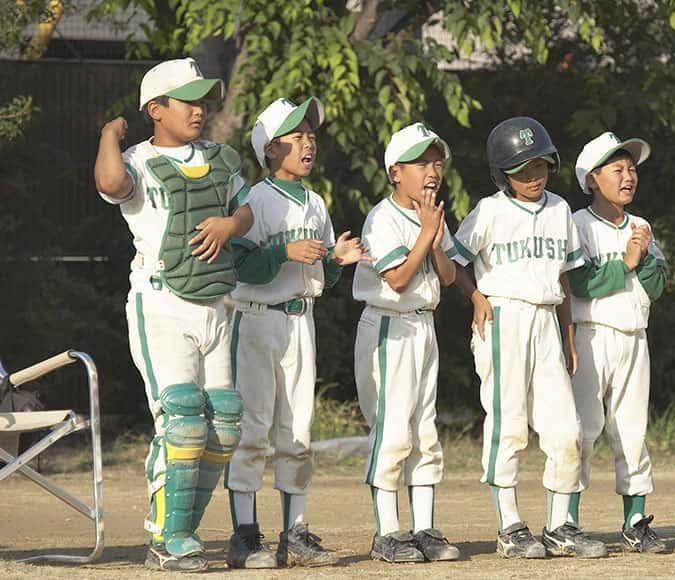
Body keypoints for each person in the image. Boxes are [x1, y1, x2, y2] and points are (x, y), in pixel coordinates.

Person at [93, 57, 253, 572]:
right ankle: (166, 537)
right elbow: (111, 184)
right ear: (156, 109)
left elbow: (245, 209)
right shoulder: (137, 160)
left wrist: (230, 225)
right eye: (187, 101)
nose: (199, 109)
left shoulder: (219, 158)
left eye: (203, 101)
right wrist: (109, 135)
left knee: (223, 423)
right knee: (182, 418)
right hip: (162, 301)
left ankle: (183, 528)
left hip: (214, 302)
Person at [224, 97, 370, 568]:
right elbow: (242, 266)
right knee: (252, 430)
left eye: (310, 134)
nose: (308, 143)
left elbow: (322, 276)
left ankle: (295, 534)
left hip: (301, 319)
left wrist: (336, 261)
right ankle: (245, 535)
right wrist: (284, 253)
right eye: (295, 136)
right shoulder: (254, 200)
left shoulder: (316, 202)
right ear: (270, 149)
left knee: (297, 431)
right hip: (257, 318)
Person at [451, 117, 606, 559]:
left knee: (567, 428)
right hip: (504, 316)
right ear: (503, 174)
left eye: (540, 166)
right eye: (522, 170)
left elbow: (564, 278)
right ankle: (510, 527)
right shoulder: (489, 211)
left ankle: (559, 527)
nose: (534, 176)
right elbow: (455, 260)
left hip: (546, 320)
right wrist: (476, 296)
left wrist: (568, 335)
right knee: (509, 424)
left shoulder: (559, 209)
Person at [352, 122, 460, 563]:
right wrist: (424, 234)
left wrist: (433, 237)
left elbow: (448, 276)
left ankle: (424, 528)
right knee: (392, 429)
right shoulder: (382, 217)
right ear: (395, 172)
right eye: (420, 163)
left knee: (424, 430)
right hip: (388, 326)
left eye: (436, 163)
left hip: (423, 326)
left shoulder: (432, 214)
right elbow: (396, 279)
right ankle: (388, 532)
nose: (432, 171)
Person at [568, 131, 668, 553]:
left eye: (631, 169)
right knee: (582, 429)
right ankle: (567, 520)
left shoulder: (641, 227)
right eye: (617, 169)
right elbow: (578, 282)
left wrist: (641, 260)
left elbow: (658, 286)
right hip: (590, 336)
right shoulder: (577, 224)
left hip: (633, 338)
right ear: (592, 179)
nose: (628, 176)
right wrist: (626, 262)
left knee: (632, 430)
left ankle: (635, 520)